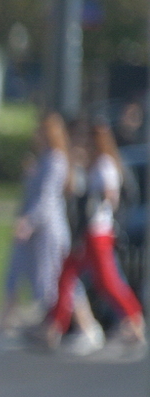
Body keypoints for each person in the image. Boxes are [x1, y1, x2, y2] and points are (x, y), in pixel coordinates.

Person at [45, 122, 145, 348]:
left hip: (98, 231)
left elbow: (111, 197)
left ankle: (134, 319)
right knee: (68, 275)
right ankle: (55, 326)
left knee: (107, 282)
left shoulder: (105, 165)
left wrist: (97, 205)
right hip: (90, 231)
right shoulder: (92, 165)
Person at [0, 113, 72, 335]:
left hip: (46, 227)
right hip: (33, 225)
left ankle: (58, 324)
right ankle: (6, 322)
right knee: (16, 271)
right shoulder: (44, 158)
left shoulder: (56, 160)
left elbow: (47, 197)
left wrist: (29, 221)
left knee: (50, 276)